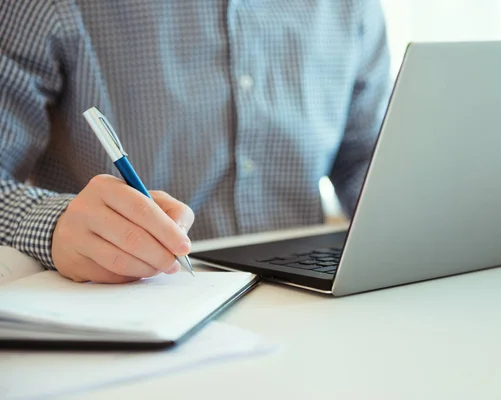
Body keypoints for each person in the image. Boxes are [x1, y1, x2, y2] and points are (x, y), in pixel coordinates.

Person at [0, 1, 391, 283]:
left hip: (310, 304)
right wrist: (53, 225)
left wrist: (421, 208)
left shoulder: (353, 7)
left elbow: (364, 158)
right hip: (137, 304)